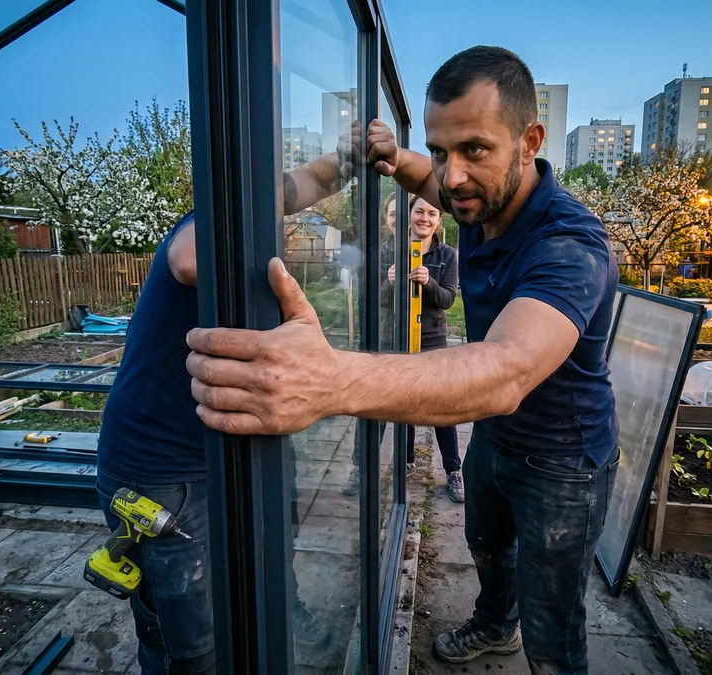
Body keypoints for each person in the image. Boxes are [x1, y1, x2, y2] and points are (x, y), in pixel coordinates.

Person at [185, 45, 619, 675]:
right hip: (501, 440)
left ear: (530, 141)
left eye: (474, 149)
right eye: (442, 150)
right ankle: (496, 626)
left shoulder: (569, 244)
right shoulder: (480, 201)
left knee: (553, 618)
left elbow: (507, 370)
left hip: (564, 460)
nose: (453, 176)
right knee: (487, 546)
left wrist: (332, 380)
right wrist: (390, 157)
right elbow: (424, 177)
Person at [96, 124, 368, 675]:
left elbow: (317, 178)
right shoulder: (204, 225)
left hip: (230, 444)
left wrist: (352, 156)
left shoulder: (260, 205)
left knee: (268, 563)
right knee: (192, 643)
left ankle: (282, 619)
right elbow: (192, 262)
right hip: (161, 472)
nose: (282, 195)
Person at [342, 194, 462, 501]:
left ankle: (453, 471)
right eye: (418, 211)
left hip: (432, 341)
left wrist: (429, 283)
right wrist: (388, 282)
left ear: (439, 220)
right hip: (391, 340)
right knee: (374, 404)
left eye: (431, 213)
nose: (424, 218)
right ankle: (360, 468)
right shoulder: (386, 253)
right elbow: (373, 301)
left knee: (442, 408)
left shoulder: (447, 255)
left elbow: (448, 299)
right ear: (409, 217)